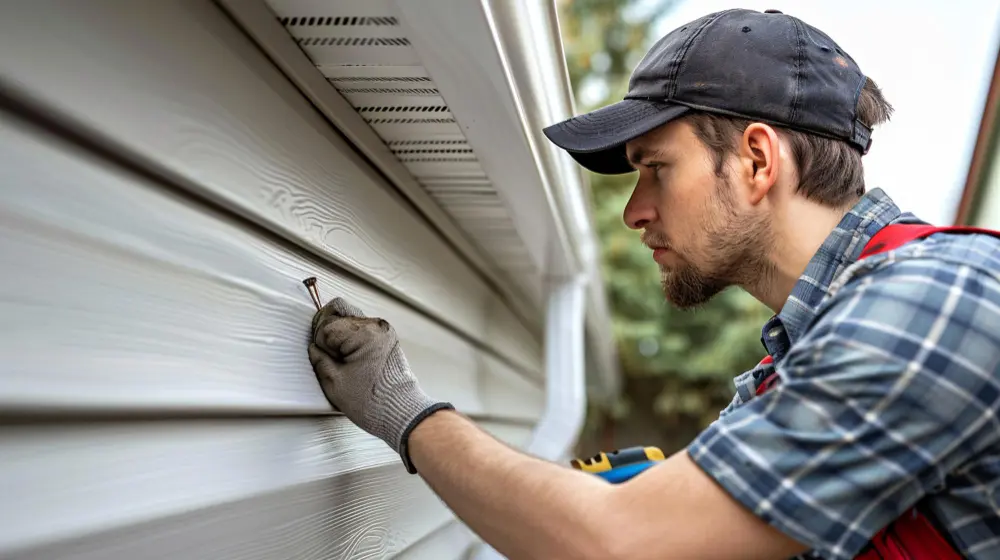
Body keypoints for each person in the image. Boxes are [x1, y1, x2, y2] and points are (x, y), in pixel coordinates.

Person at [306, 8, 1000, 560]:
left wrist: (405, 413)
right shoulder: (784, 374)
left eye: (656, 168)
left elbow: (616, 541)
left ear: (757, 161)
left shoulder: (935, 298)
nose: (635, 211)